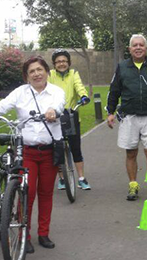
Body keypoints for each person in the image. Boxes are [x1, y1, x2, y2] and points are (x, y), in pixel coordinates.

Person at [0, 56, 66, 252]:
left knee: (46, 193)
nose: (36, 74)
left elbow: (59, 104)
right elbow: (2, 105)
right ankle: (23, 235)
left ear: (46, 71)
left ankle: (43, 233)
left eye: (39, 70)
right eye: (31, 72)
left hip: (49, 151)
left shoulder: (56, 92)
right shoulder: (20, 93)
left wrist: (53, 110)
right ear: (26, 76)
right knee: (26, 193)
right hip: (26, 151)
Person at [106, 34, 147, 203]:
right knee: (131, 152)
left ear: (146, 48)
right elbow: (114, 91)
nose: (138, 47)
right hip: (129, 117)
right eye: (135, 45)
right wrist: (110, 112)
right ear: (130, 49)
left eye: (141, 45)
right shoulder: (122, 67)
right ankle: (133, 184)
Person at [49, 49, 92, 190]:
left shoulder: (73, 74)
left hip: (71, 115)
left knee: (76, 148)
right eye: (58, 61)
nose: (61, 64)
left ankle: (81, 178)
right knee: (57, 149)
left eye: (64, 61)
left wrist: (83, 96)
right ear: (54, 64)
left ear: (69, 63)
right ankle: (62, 179)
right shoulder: (50, 75)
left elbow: (79, 87)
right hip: (54, 117)